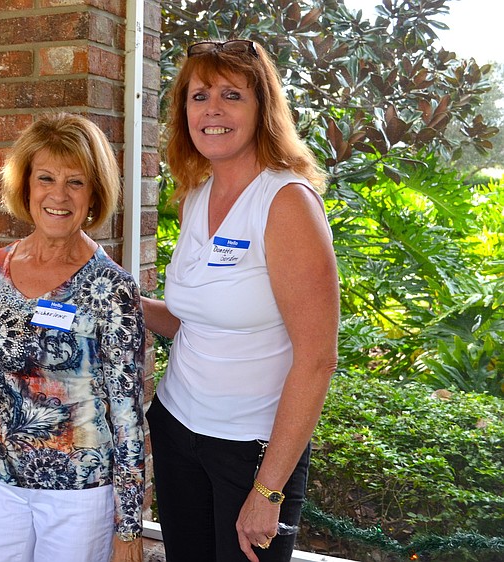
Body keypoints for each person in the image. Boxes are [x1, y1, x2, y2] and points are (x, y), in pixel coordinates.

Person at [142, 39, 339, 562]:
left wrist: (269, 490)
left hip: (252, 452)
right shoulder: (195, 195)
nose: (212, 110)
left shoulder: (286, 202)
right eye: (198, 95)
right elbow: (189, 321)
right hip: (178, 428)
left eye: (232, 95)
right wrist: (118, 296)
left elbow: (317, 360)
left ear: (262, 110)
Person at [0, 113, 146, 562]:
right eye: (46, 178)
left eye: (75, 182)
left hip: (80, 499)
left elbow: (127, 412)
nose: (58, 195)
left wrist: (129, 527)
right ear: (26, 186)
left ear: (94, 194)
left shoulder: (112, 288)